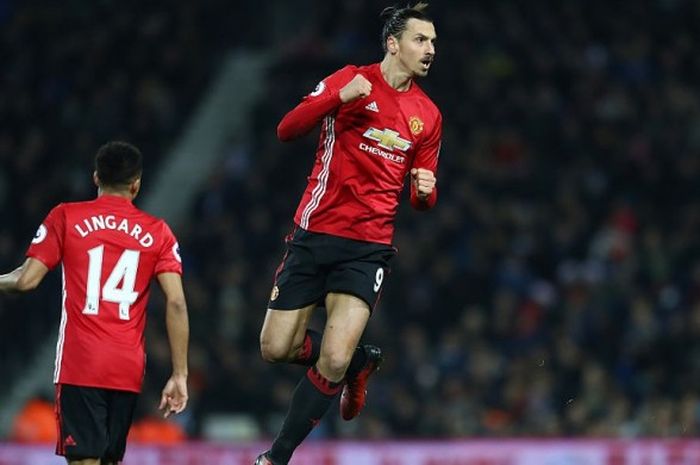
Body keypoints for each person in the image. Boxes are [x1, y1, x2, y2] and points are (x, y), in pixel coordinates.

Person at [256, 3, 441, 464]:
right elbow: (285, 130)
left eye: (434, 42)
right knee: (276, 348)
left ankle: (276, 457)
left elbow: (422, 199)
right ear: (393, 44)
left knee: (332, 358)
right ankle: (362, 362)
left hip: (368, 247)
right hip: (314, 232)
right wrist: (336, 99)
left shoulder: (428, 115)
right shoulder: (350, 79)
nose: (430, 49)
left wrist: (424, 191)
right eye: (422, 40)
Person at [0, 141, 189, 465]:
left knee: (84, 461)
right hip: (126, 367)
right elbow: (176, 303)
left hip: (81, 363)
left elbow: (26, 280)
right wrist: (180, 374)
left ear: (96, 178)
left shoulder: (66, 216)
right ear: (136, 184)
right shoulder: (158, 232)